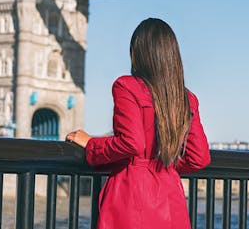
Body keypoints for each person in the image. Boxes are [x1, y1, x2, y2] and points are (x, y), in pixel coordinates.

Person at [66, 18, 211, 229]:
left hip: (131, 195)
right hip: (171, 197)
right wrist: (164, 162)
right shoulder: (187, 99)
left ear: (137, 53)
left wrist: (91, 144)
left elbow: (132, 143)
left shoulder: (127, 87)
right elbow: (199, 158)